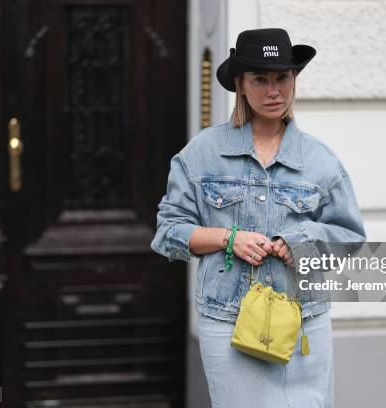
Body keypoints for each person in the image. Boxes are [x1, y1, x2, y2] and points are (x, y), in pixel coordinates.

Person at [151, 28, 365, 408]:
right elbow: (168, 231)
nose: (274, 91)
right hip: (228, 323)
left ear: (294, 79)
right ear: (240, 84)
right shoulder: (203, 153)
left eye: (283, 77)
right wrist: (229, 239)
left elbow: (349, 236)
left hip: (304, 322)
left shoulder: (320, 160)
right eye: (261, 79)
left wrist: (302, 240)